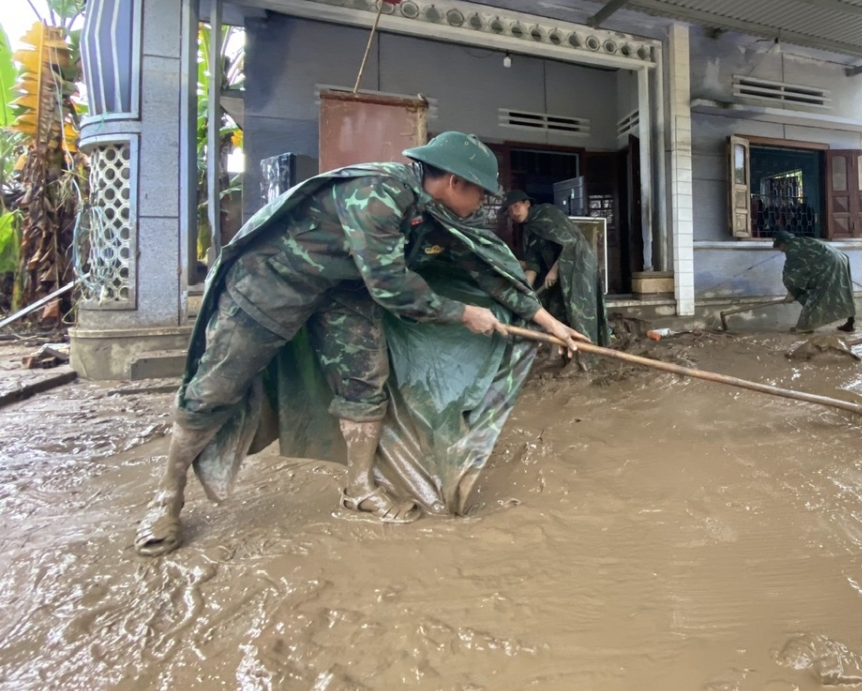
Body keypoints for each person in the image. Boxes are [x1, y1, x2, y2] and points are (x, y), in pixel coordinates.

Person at [135, 132, 587, 557]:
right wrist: (464, 313)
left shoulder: (434, 212)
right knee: (217, 386)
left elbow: (484, 271)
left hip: (345, 289)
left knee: (366, 380)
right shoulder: (378, 193)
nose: (483, 204)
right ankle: (167, 497)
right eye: (480, 194)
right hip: (273, 281)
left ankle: (360, 488)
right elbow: (392, 287)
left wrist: (550, 323)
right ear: (454, 182)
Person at [503, 190, 608, 348]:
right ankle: (560, 353)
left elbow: (570, 243)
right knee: (554, 309)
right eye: (510, 210)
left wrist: (553, 271)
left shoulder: (547, 213)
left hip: (577, 266)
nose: (514, 213)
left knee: (579, 312)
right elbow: (533, 264)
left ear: (527, 203)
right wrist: (526, 292)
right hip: (559, 272)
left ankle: (586, 354)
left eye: (516, 206)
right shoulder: (529, 229)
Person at [772, 231, 856, 334]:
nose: (779, 249)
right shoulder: (802, 240)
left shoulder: (792, 248)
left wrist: (792, 292)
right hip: (840, 258)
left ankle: (805, 327)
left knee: (816, 295)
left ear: (783, 243)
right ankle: (850, 322)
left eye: (778, 246)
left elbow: (791, 274)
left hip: (828, 263)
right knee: (844, 291)